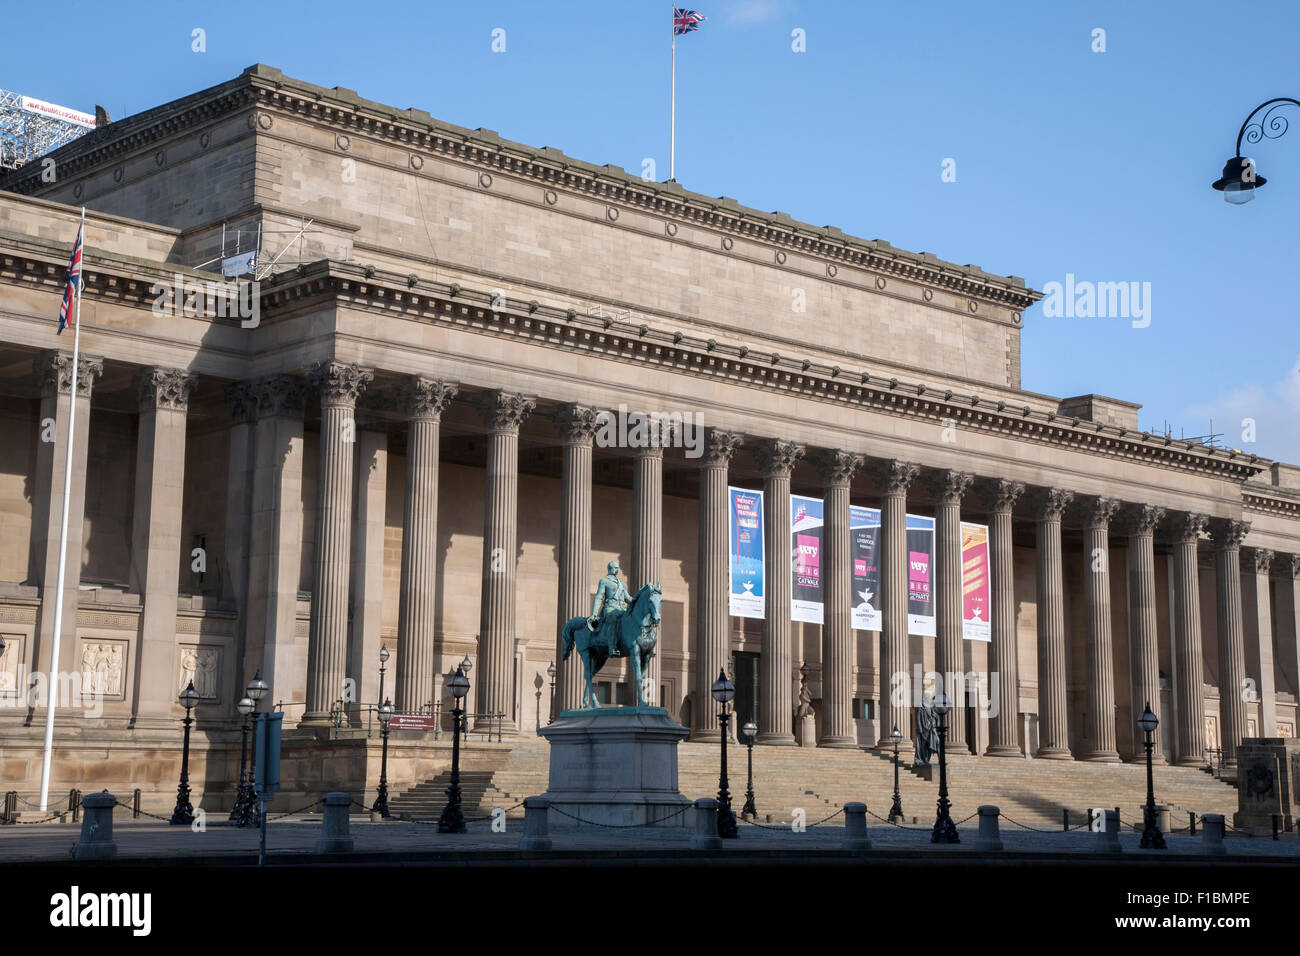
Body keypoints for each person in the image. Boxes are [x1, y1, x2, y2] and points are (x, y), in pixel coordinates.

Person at [588, 560, 631, 657]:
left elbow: (628, 599)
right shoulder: (604, 581)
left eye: (617, 568)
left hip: (622, 609)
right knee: (612, 619)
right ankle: (612, 647)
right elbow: (599, 597)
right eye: (615, 567)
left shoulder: (622, 584)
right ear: (609, 568)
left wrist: (640, 600)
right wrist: (594, 613)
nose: (617, 569)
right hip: (610, 607)